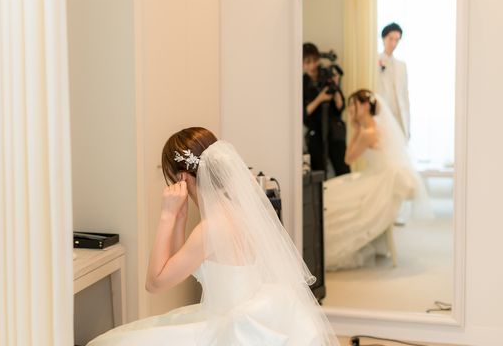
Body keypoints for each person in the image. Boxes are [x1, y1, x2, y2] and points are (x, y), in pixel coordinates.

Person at [88, 127, 338, 346]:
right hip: (234, 315)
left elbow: (154, 283)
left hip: (226, 325)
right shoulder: (237, 212)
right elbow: (182, 266)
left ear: (181, 177)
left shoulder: (211, 228)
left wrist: (166, 215)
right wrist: (180, 217)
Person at [323, 90, 423, 271]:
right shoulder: (377, 126)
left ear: (365, 105)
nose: (350, 108)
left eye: (354, 104)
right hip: (377, 176)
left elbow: (348, 159)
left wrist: (355, 129)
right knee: (332, 191)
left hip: (379, 181)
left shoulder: (367, 133)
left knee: (332, 200)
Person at [302, 42, 350, 177]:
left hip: (334, 131)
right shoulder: (302, 83)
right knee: (319, 174)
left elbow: (340, 106)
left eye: (314, 61)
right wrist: (320, 99)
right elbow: (303, 114)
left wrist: (335, 87)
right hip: (315, 133)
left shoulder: (327, 76)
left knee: (343, 170)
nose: (312, 66)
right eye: (307, 62)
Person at [377, 23, 410, 139]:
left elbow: (405, 95)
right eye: (390, 39)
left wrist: (407, 125)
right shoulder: (374, 61)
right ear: (383, 38)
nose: (393, 43)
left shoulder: (401, 66)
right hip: (383, 114)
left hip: (400, 117)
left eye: (397, 40)